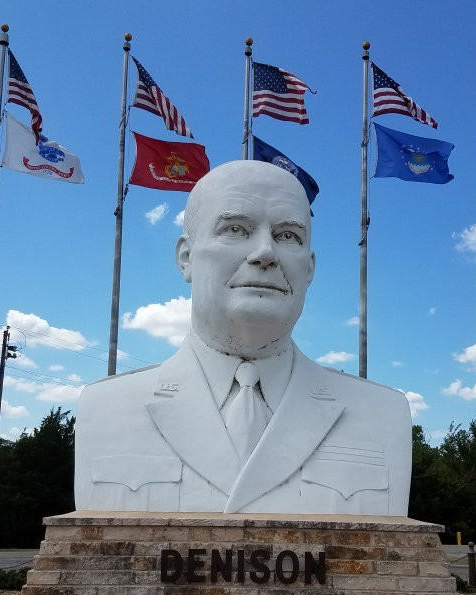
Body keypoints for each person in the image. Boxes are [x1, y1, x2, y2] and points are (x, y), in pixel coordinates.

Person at [74, 160, 411, 515]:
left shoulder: (383, 414)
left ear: (309, 268)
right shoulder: (105, 407)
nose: (265, 252)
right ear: (186, 258)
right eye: (236, 229)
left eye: (287, 236)